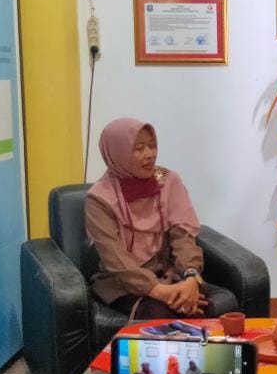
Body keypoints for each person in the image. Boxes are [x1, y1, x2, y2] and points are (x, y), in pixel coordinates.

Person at [86, 117, 214, 319]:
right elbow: (116, 260)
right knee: (160, 313)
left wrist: (190, 276)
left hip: (169, 272)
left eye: (152, 146)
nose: (150, 154)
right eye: (139, 148)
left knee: (200, 304)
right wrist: (159, 291)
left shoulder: (168, 180)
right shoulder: (100, 198)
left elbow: (183, 236)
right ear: (118, 152)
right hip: (122, 282)